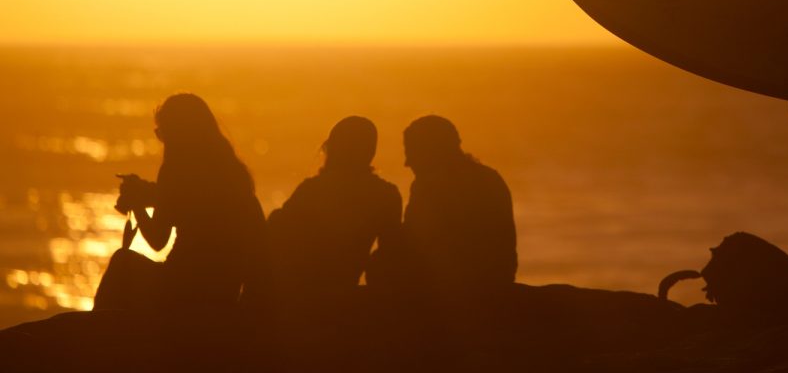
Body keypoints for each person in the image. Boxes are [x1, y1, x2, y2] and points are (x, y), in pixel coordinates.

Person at [95, 93, 266, 311]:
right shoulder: (232, 172)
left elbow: (158, 240)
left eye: (161, 132)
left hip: (183, 286)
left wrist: (137, 203)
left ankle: (99, 331)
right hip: (224, 291)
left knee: (122, 263)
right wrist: (147, 191)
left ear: (175, 132)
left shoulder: (175, 170)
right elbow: (190, 202)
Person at [267, 116, 404, 309]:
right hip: (343, 292)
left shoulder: (311, 190)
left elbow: (277, 241)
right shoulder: (385, 195)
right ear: (370, 151)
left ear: (332, 148)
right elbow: (390, 257)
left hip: (299, 295)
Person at [382, 115, 516, 301]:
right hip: (497, 281)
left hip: (455, 290)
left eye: (411, 152)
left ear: (431, 152)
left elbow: (414, 242)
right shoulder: (490, 179)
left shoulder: (430, 186)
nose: (407, 162)